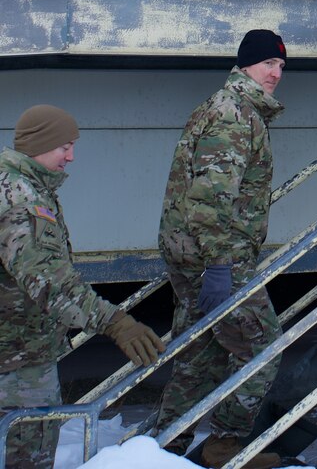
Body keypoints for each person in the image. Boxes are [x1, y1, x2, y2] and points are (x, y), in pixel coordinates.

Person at [0, 104, 163, 469]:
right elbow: (50, 284)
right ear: (40, 144)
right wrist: (117, 323)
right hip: (17, 362)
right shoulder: (23, 202)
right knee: (27, 455)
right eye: (65, 146)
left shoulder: (9, 182)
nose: (71, 157)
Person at [155, 29, 289, 469]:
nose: (275, 74)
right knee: (264, 346)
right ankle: (225, 445)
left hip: (194, 253)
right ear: (246, 65)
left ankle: (164, 448)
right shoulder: (235, 116)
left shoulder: (229, 108)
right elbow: (211, 199)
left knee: (201, 355)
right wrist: (218, 267)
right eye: (268, 64)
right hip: (215, 258)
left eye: (281, 67)